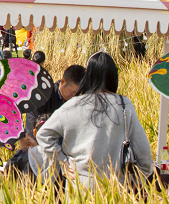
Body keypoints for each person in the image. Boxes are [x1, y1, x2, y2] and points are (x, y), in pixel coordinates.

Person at [36, 51, 154, 191]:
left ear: (88, 77)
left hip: (80, 186)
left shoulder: (73, 105)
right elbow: (144, 151)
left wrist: (63, 161)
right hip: (117, 187)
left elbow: (43, 134)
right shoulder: (124, 105)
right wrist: (139, 179)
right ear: (113, 76)